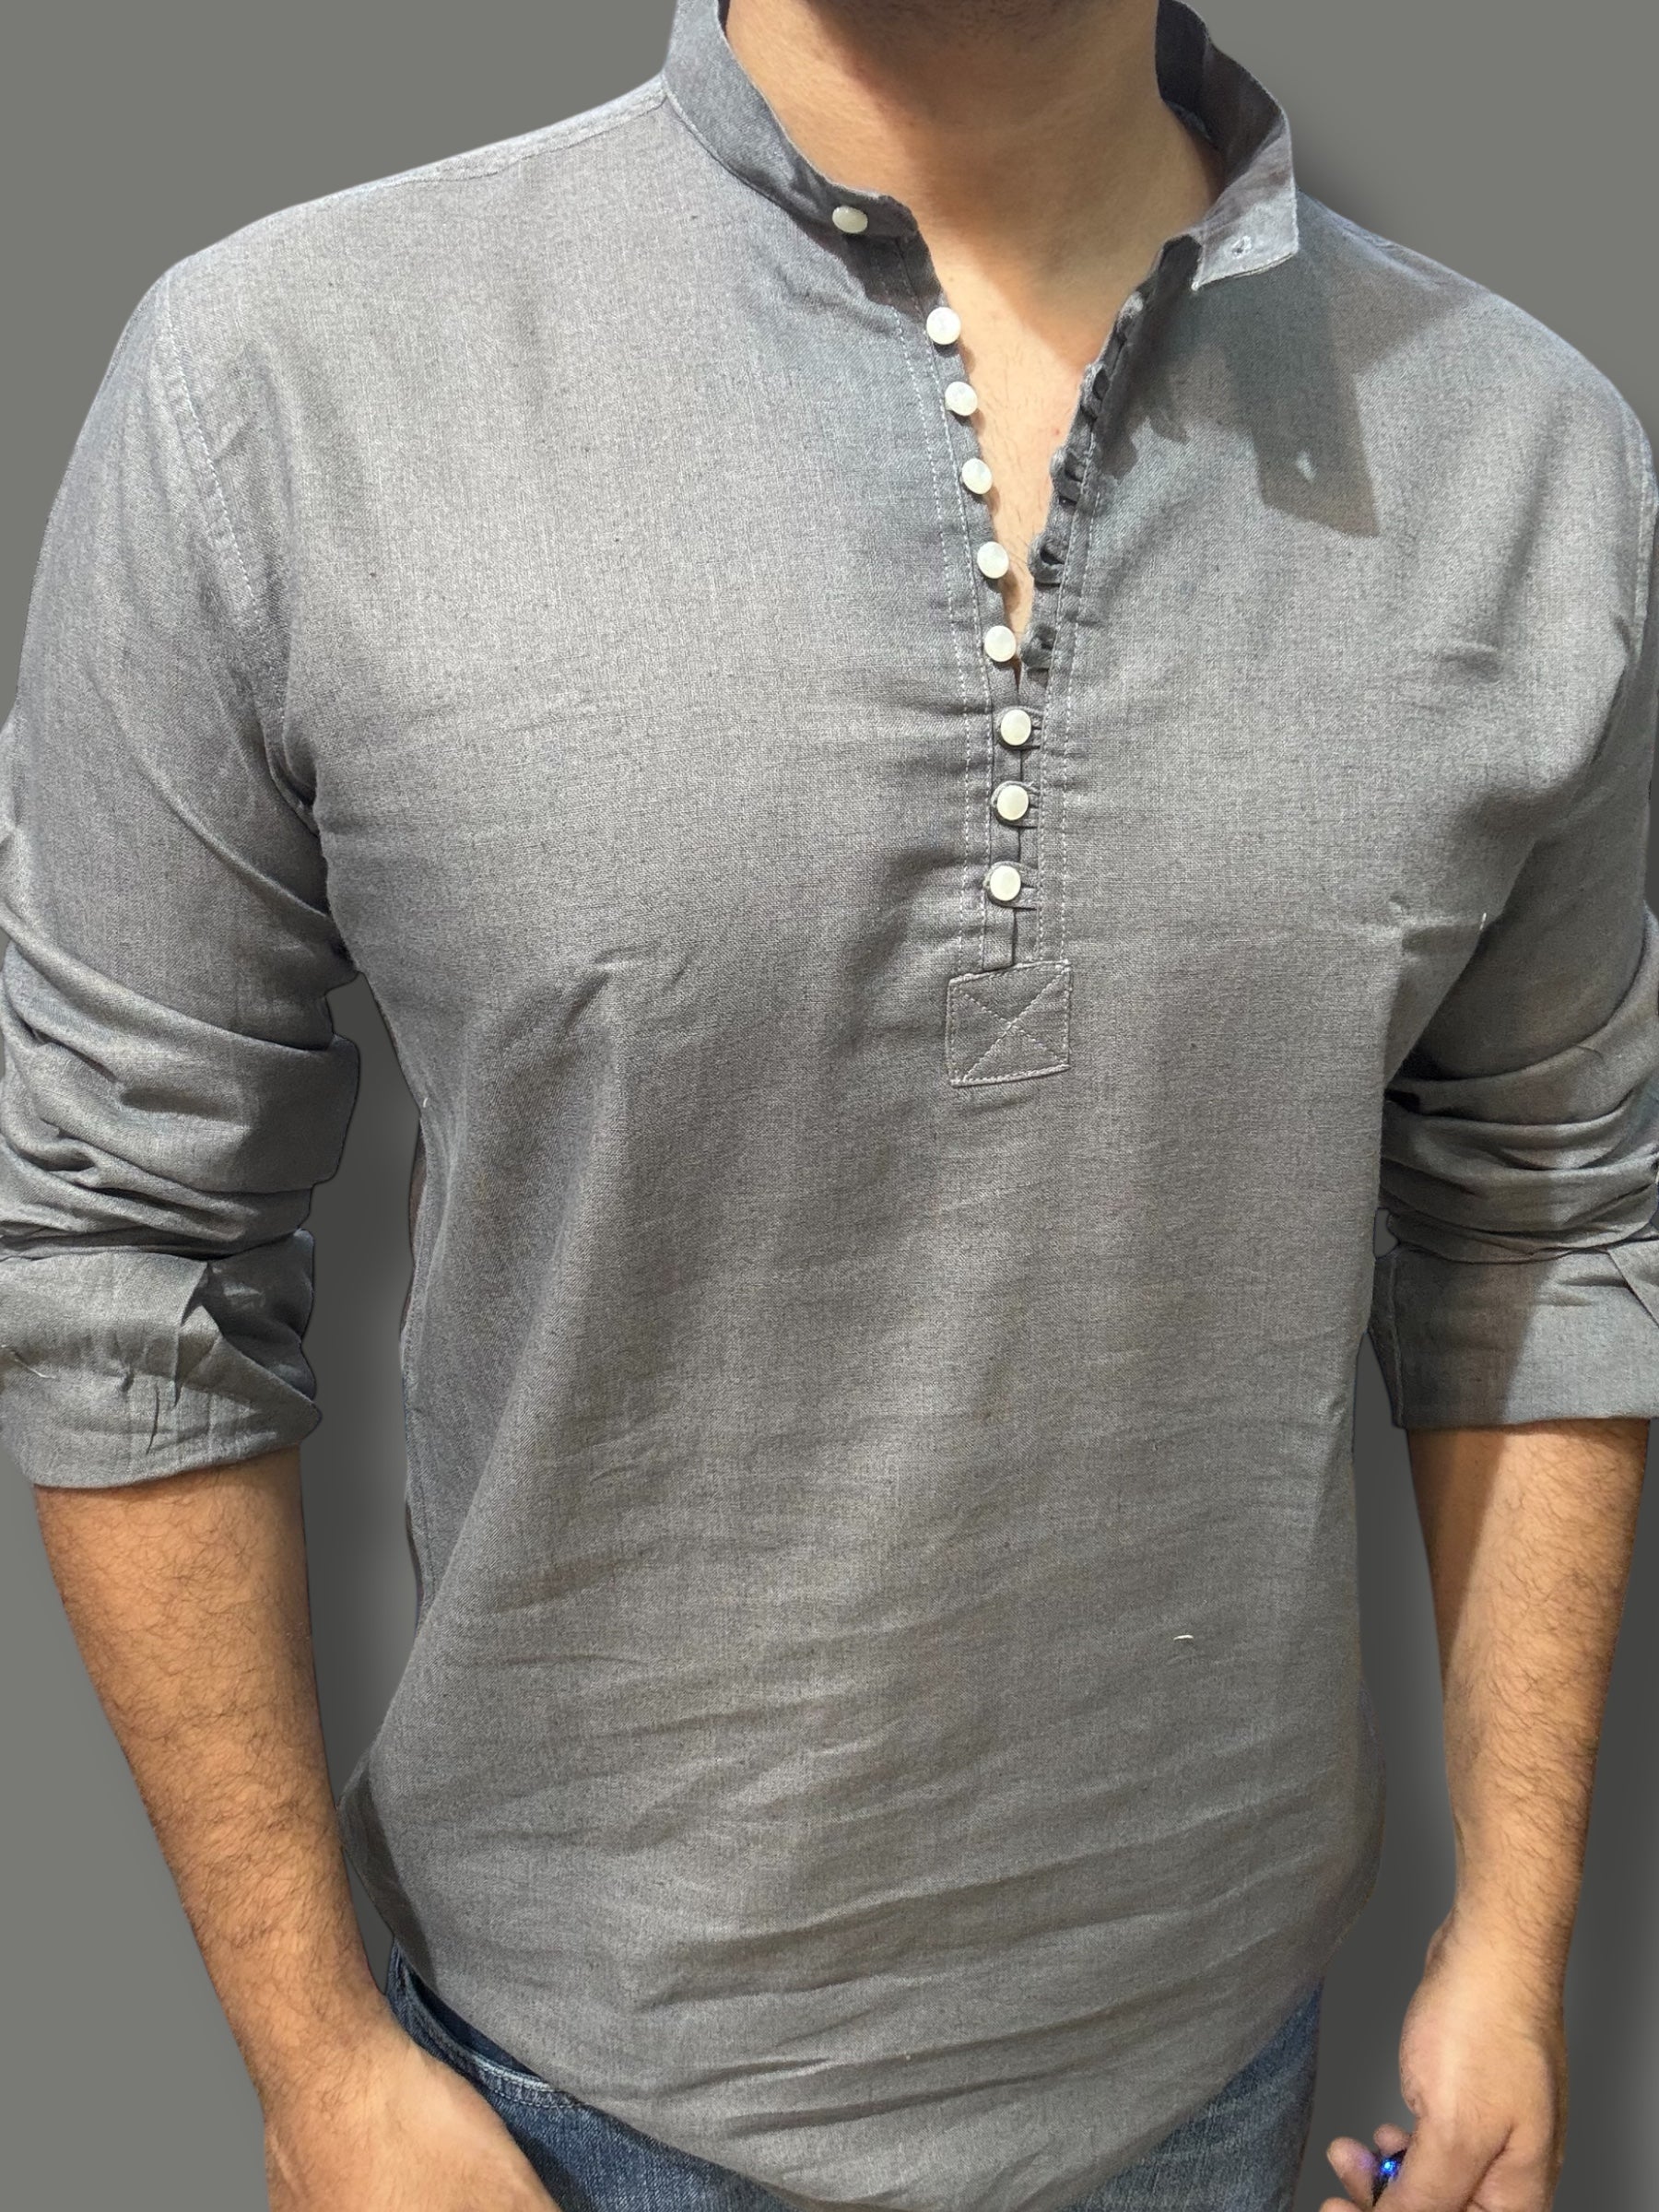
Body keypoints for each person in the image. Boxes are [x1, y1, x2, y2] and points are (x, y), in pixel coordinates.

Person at [4, 0, 1655, 2206]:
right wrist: (310, 2056)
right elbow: (125, 1249)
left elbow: (1551, 1211)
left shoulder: (1527, 459)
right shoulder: (285, 384)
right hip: (539, 2102)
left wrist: (1518, 1934)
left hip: (1224, 2068)